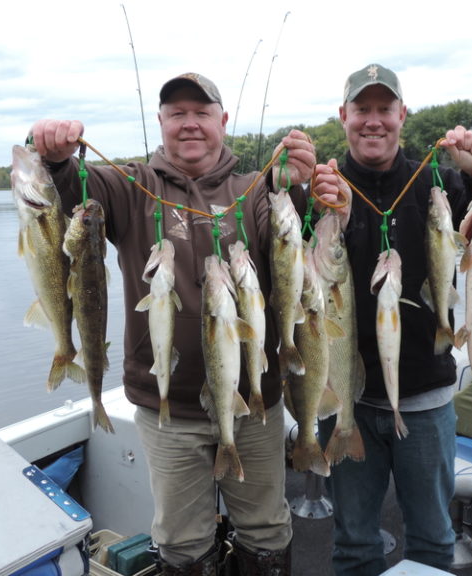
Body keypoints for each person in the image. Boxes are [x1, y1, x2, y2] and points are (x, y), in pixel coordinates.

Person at [30, 72, 316, 576]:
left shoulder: (255, 189)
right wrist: (52, 156)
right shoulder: (130, 186)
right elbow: (70, 191)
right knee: (182, 543)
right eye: (177, 113)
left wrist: (303, 189)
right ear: (160, 121)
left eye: (201, 113)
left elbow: (291, 249)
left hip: (254, 402)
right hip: (166, 409)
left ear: (223, 121)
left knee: (267, 530)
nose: (190, 124)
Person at [312, 63, 472, 574]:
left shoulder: (441, 185)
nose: (373, 120)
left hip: (427, 397)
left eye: (384, 109)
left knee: (432, 539)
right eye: (361, 109)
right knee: (353, 542)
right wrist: (308, 200)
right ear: (343, 116)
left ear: (402, 115)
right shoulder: (324, 191)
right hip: (345, 398)